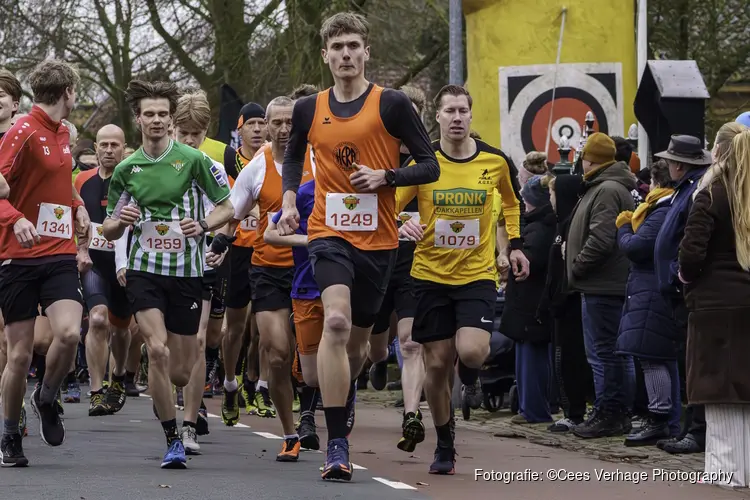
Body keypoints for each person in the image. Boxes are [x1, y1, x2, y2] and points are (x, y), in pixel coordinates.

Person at [276, 12, 440, 480]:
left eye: (353, 46)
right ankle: (337, 444)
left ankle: (343, 392)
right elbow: (293, 156)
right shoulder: (310, 107)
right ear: (325, 55)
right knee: (336, 319)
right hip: (327, 231)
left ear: (367, 51)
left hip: (380, 240)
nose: (345, 54)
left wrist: (386, 176)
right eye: (337, 48)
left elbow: (430, 166)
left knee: (361, 350)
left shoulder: (391, 104)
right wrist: (290, 198)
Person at [397, 85, 528, 475]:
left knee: (471, 351)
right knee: (436, 367)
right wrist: (405, 224)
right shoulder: (423, 164)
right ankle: (445, 442)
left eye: (462, 111)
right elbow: (390, 205)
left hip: (476, 275)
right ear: (436, 117)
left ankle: (470, 374)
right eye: (449, 111)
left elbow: (511, 202)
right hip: (430, 275)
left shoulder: (495, 162)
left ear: (471, 116)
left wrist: (516, 246)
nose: (456, 118)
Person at [102, 80, 233, 469]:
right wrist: (120, 221)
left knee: (179, 369)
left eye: (162, 114)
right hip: (145, 270)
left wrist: (204, 225)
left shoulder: (193, 160)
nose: (156, 120)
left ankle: (178, 398)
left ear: (169, 119)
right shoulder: (126, 168)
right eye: (149, 114)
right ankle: (172, 437)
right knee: (155, 349)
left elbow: (227, 207)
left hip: (187, 272)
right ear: (138, 119)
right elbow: (107, 228)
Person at [0, 59, 91, 467]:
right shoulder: (21, 130)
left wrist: (78, 205)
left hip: (57, 252)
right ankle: (8, 436)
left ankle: (47, 396)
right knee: (18, 355)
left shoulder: (64, 134)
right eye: (76, 92)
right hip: (16, 257)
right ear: (68, 92)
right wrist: (14, 219)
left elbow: (58, 183)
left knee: (70, 333)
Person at [219, 95, 314, 461]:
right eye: (277, 122)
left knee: (311, 358)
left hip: (310, 267)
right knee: (276, 353)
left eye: (291, 121)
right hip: (268, 268)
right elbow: (232, 208)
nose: (284, 128)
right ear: (266, 125)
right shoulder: (257, 166)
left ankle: (313, 408)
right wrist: (211, 233)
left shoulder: (316, 159)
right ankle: (290, 433)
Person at [679, 126, 750, 488]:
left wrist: (686, 279)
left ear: (718, 152)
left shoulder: (710, 195)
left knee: (720, 395)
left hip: (714, 307)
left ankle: (726, 476)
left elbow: (691, 254)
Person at [366, 84, 430, 453]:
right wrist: (394, 220)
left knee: (410, 342)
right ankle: (376, 362)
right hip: (376, 257)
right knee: (376, 348)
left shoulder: (428, 159)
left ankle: (411, 415)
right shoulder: (377, 151)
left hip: (413, 262)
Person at [565, 132, 636, 439]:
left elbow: (602, 238)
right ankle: (616, 413)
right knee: (613, 352)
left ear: (589, 159)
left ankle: (609, 413)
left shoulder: (605, 189)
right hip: (605, 284)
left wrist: (578, 266)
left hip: (602, 285)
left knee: (604, 353)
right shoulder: (607, 185)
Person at [172, 90, 231, 452]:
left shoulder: (213, 167)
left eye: (197, 134)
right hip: (160, 265)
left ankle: (190, 424)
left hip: (200, 262)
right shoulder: (151, 163)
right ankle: (175, 398)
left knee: (201, 340)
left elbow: (229, 211)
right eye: (184, 133)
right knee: (168, 348)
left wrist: (215, 239)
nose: (191, 140)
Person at [652, 134, 712, 455]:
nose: (668, 165)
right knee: (685, 361)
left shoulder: (694, 191)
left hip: (683, 290)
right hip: (676, 290)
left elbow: (691, 239)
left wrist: (678, 273)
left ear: (679, 164)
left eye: (671, 161)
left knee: (692, 362)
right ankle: (691, 427)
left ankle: (696, 429)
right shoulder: (683, 190)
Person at [614, 159, 681, 446]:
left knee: (651, 356)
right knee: (660, 355)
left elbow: (638, 247)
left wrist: (624, 228)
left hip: (650, 289)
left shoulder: (661, 209)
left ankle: (659, 416)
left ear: (656, 182)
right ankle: (668, 417)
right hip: (649, 288)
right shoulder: (666, 207)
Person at [75, 125, 133, 417]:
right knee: (98, 320)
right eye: (104, 145)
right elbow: (70, 217)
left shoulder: (136, 179)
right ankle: (96, 391)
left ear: (124, 148)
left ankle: (119, 376)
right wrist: (78, 250)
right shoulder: (81, 181)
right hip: (94, 263)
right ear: (95, 148)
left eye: (115, 145)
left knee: (122, 330)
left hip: (126, 265)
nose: (109, 150)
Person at [264, 177, 321, 450]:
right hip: (307, 286)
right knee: (310, 372)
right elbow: (269, 233)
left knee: (348, 351)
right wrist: (307, 240)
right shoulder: (305, 192)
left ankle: (322, 424)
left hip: (349, 286)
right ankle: (306, 415)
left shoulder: (358, 187)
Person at [501, 175, 556, 425]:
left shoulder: (539, 227)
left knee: (532, 358)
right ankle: (529, 407)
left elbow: (531, 261)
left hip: (530, 303)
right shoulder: (536, 224)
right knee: (527, 356)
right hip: (528, 303)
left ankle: (533, 409)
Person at [543, 174, 593, 433]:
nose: (549, 200)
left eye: (552, 194)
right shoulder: (561, 225)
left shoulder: (572, 226)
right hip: (559, 304)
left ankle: (576, 411)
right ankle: (572, 410)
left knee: (572, 360)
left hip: (571, 302)